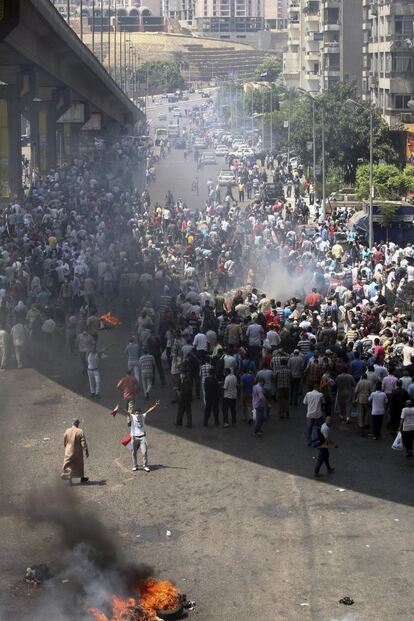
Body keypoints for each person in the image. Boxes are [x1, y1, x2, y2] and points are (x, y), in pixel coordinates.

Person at [128, 400, 160, 472]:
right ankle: (135, 465)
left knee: (144, 452)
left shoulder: (143, 415)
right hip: (134, 437)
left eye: (139, 413)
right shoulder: (132, 416)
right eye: (136, 413)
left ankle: (145, 466)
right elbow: (126, 413)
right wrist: (120, 408)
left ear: (140, 413)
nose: (137, 414)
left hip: (142, 437)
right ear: (134, 413)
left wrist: (156, 405)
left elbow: (149, 410)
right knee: (134, 452)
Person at [61, 418, 89, 484]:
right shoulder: (80, 431)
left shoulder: (67, 430)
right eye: (78, 423)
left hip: (68, 451)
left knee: (68, 465)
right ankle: (82, 478)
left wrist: (66, 449)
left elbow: (64, 441)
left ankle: (69, 479)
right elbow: (83, 442)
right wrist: (86, 451)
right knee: (79, 464)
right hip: (77, 452)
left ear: (72, 423)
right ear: (77, 423)